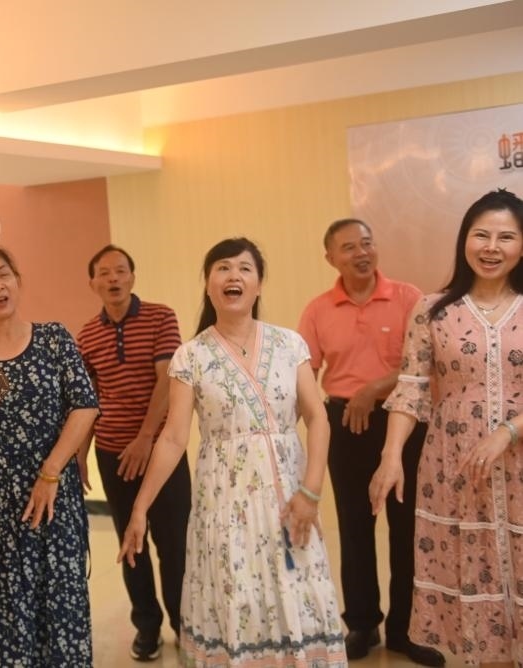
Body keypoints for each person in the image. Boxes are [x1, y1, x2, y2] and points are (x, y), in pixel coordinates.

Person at [119, 237, 346, 667]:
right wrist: (140, 508)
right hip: (224, 506)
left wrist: (311, 491)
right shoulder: (191, 356)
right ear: (208, 285)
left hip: (290, 500)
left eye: (244, 268)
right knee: (236, 595)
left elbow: (318, 417)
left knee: (296, 593)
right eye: (222, 268)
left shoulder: (290, 345)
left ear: (258, 284)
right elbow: (173, 438)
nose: (233, 276)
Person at [369, 189, 523, 667]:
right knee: (472, 576)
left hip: (519, 464)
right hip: (455, 469)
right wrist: (391, 456)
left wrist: (508, 431)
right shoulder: (433, 309)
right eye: (481, 235)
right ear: (464, 241)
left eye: (506, 237)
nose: (491, 247)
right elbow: (411, 388)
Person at [0, 244, 98, 666]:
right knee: (4, 618)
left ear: (18, 280)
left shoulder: (54, 339)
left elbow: (85, 406)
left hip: (54, 503)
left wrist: (51, 472)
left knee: (60, 610)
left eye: (4, 274)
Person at [298, 220, 444, 666]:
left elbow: (427, 363)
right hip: (345, 424)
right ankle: (362, 624)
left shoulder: (408, 297)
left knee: (407, 527)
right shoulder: (318, 310)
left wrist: (374, 389)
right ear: (330, 258)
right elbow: (305, 376)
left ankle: (406, 629)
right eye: (349, 247)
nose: (361, 253)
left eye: (367, 243)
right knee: (355, 525)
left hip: (404, 419)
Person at [75, 244, 190, 661]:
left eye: (121, 270)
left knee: (174, 543)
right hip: (114, 454)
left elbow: (167, 380)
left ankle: (185, 624)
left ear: (133, 277)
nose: (114, 279)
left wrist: (145, 438)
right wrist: (81, 456)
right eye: (104, 273)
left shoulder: (161, 317)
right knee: (131, 542)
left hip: (163, 451)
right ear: (93, 283)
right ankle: (147, 626)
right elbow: (87, 400)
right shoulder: (87, 334)